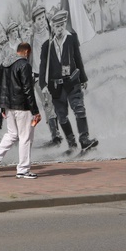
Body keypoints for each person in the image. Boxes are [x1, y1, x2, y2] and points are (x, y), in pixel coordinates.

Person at [39, 10, 98, 153]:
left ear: (65, 24)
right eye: (57, 26)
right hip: (56, 86)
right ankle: (72, 144)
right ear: (52, 26)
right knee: (62, 116)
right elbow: (43, 66)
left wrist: (83, 78)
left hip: (72, 82)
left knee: (79, 109)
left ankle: (84, 140)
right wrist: (43, 84)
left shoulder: (71, 39)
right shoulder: (47, 46)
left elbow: (78, 59)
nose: (60, 28)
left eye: (62, 25)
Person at [0, 42, 41, 179]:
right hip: (23, 107)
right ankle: (23, 169)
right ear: (27, 52)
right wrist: (35, 111)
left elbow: (1, 87)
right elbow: (28, 90)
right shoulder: (24, 65)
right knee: (25, 137)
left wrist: (2, 106)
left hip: (9, 106)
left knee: (11, 134)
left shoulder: (4, 64)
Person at [30, 5, 62, 146]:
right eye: (38, 19)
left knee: (56, 101)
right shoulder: (32, 38)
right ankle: (55, 134)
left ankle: (60, 130)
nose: (41, 21)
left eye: (43, 18)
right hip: (39, 76)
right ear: (34, 22)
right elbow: (31, 58)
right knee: (47, 103)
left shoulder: (51, 32)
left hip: (53, 73)